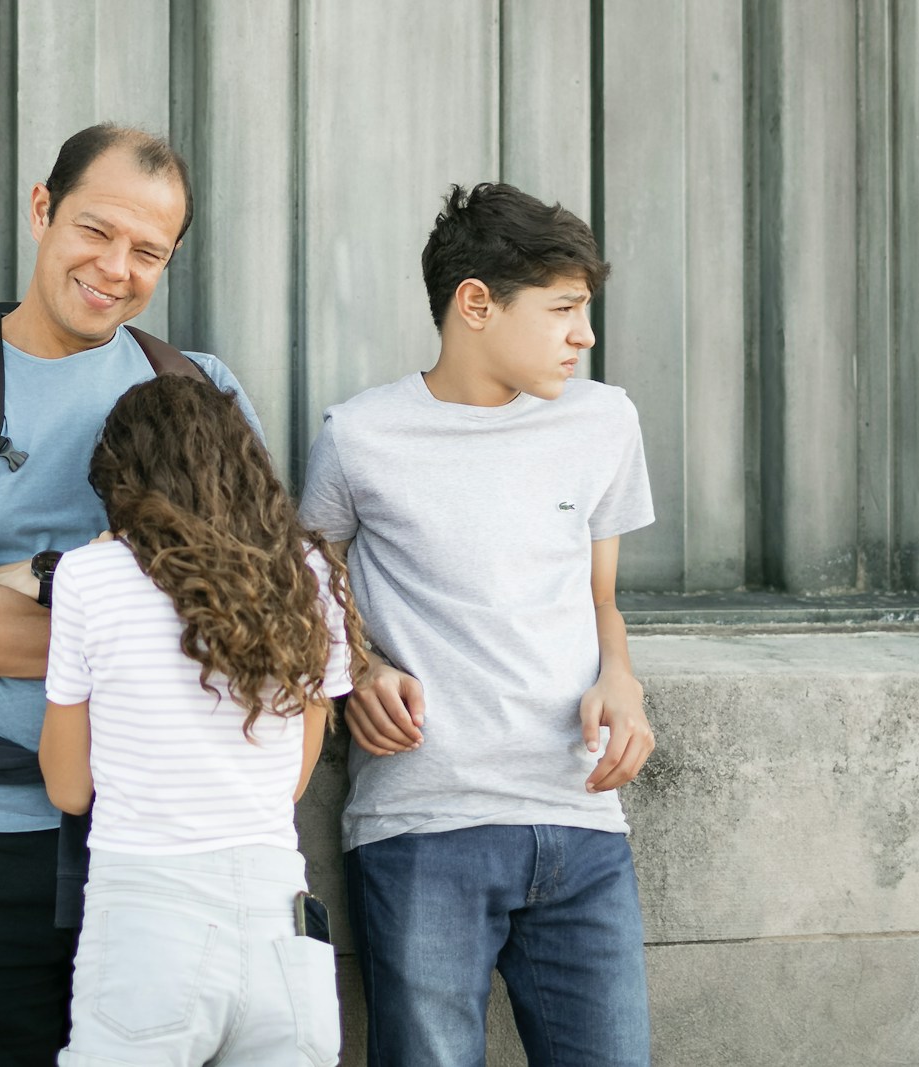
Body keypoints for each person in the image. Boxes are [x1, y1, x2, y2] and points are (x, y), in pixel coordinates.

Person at [0, 124, 263, 1066]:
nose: (116, 267)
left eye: (148, 251)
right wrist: (146, 611)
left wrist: (24, 578)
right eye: (96, 231)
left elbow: (254, 616)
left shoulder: (198, 388)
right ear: (42, 210)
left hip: (174, 848)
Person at [297, 182, 658, 1067]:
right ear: (476, 304)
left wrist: (622, 677)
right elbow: (310, 588)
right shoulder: (360, 435)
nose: (586, 335)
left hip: (580, 820)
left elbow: (600, 597)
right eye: (565, 309)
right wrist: (365, 667)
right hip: (424, 824)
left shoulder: (604, 419)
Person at [36, 374, 364, 1066]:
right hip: (284, 926)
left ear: (121, 483)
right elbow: (292, 782)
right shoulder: (305, 575)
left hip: (148, 924)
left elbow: (69, 787)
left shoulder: (90, 576)